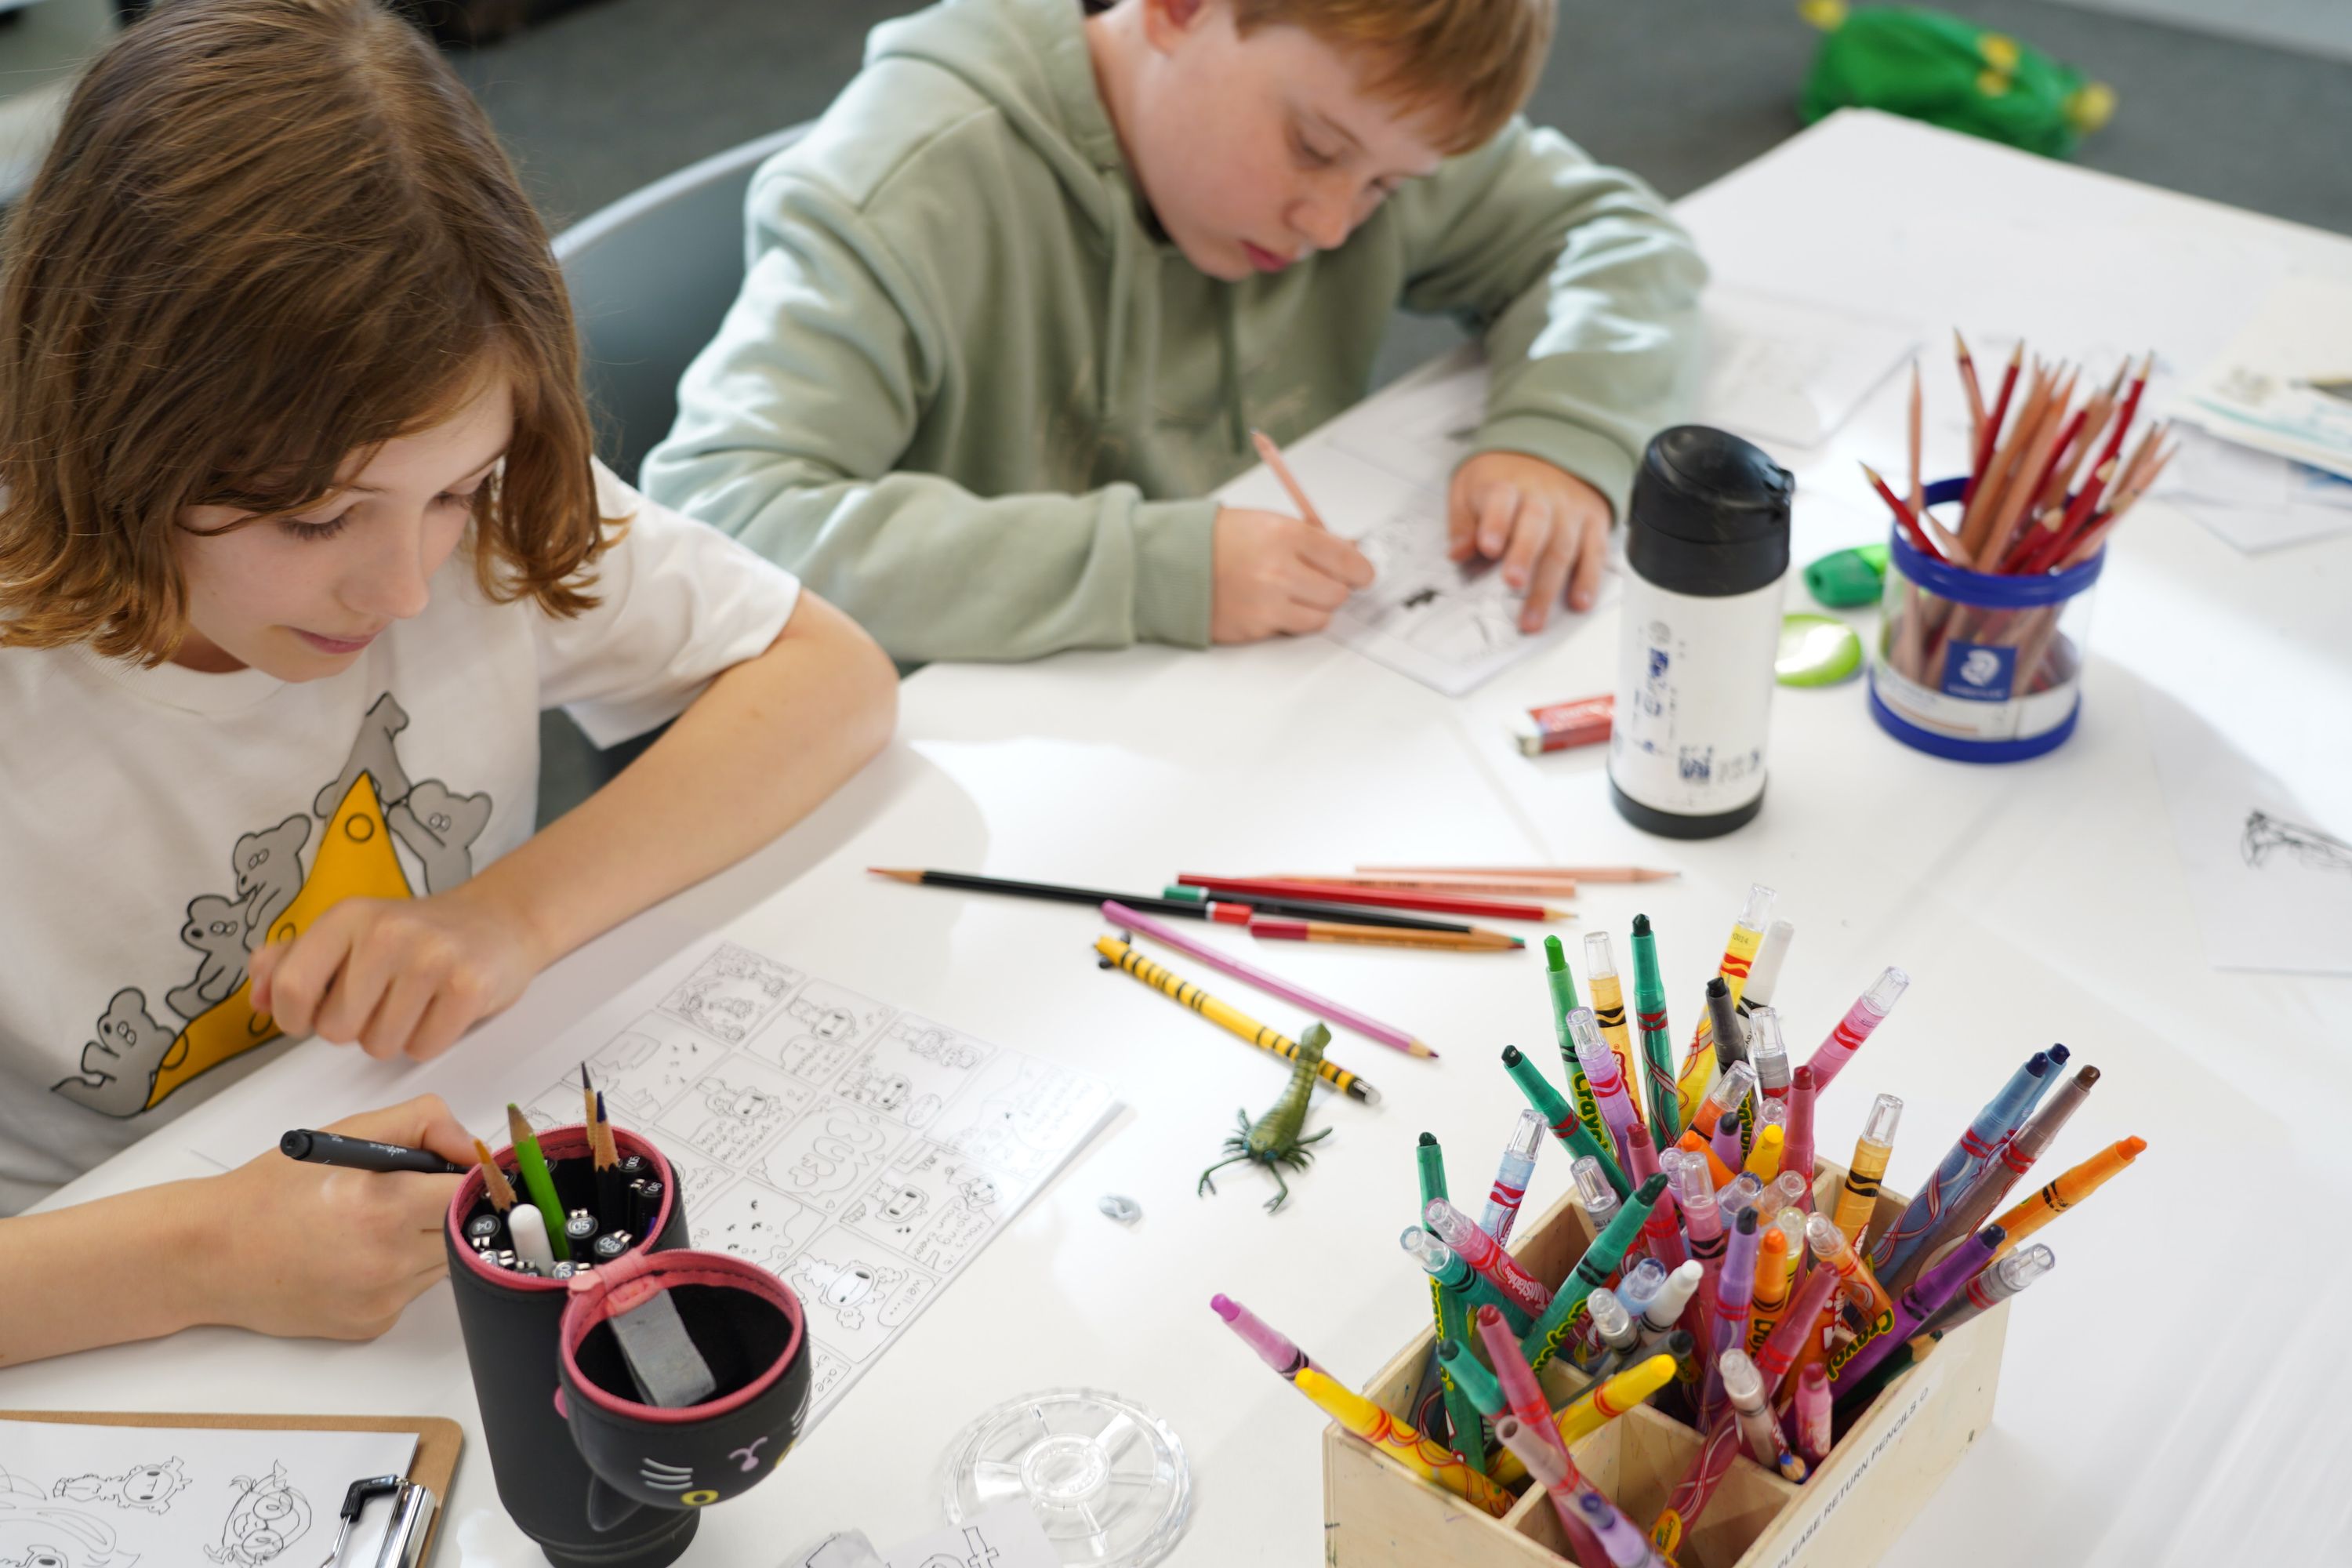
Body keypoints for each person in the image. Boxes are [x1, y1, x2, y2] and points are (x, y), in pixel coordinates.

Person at [0, 0, 898, 1367]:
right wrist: (207, 1251)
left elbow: (828, 674)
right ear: (112, 429)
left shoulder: (450, 490)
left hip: (419, 1218)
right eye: (313, 520)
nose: (407, 588)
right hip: (99, 1304)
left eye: (455, 492)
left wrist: (507, 918)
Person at [643, 0, 1704, 664]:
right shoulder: (912, 183)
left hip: (1227, 695)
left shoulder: (1366, 102)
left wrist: (1559, 432)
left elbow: (1613, 235)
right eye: (1313, 149)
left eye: (1387, 187)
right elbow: (720, 516)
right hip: (959, 744)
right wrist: (1148, 568)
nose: (1333, 225)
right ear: (1180, 10)